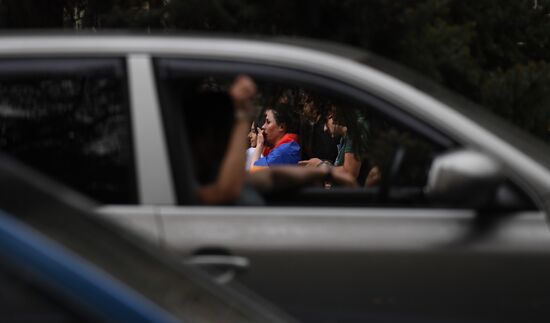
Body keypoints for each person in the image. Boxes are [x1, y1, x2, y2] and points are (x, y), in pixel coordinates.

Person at [183, 75, 356, 205]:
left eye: (268, 122)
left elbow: (270, 176)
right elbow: (229, 189)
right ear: (205, 137)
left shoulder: (289, 147)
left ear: (282, 127)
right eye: (226, 129)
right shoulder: (184, 182)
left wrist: (325, 172)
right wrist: (243, 115)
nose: (263, 128)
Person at [249, 103, 301, 170]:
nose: (263, 126)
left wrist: (259, 145)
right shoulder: (287, 147)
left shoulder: (284, 151)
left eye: (268, 122)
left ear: (281, 127)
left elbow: (254, 173)